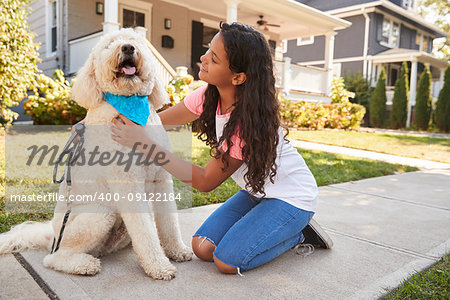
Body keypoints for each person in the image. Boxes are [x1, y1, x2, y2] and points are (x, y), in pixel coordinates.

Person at [108, 22, 332, 275]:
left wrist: (143, 143)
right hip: (258, 192)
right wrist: (94, 123)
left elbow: (204, 181)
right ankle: (271, 224)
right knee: (202, 248)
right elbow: (156, 121)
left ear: (237, 77)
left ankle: (299, 234)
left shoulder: (247, 124)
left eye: (213, 58)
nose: (202, 58)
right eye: (207, 51)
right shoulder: (208, 95)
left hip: (291, 199)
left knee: (227, 262)